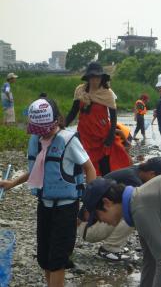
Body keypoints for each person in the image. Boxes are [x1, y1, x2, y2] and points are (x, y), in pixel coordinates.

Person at [0, 96, 96, 287]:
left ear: (56, 121)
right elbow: (38, 169)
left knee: (58, 259)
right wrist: (12, 183)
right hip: (44, 205)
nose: (42, 134)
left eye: (45, 130)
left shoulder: (68, 141)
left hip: (67, 208)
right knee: (44, 256)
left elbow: (90, 169)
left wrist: (88, 205)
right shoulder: (37, 140)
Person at [77, 157, 161, 261]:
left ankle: (113, 246)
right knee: (134, 211)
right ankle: (109, 249)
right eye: (159, 179)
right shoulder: (134, 180)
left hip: (88, 223)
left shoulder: (136, 172)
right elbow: (148, 211)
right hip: (88, 228)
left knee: (132, 208)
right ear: (152, 173)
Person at [65, 62, 131, 176]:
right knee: (86, 165)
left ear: (102, 78)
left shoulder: (107, 94)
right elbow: (73, 112)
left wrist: (110, 138)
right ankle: (88, 188)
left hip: (102, 135)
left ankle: (107, 189)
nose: (95, 80)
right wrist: (62, 126)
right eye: (92, 77)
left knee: (105, 166)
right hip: (84, 134)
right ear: (88, 78)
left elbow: (114, 118)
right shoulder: (80, 91)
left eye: (97, 77)